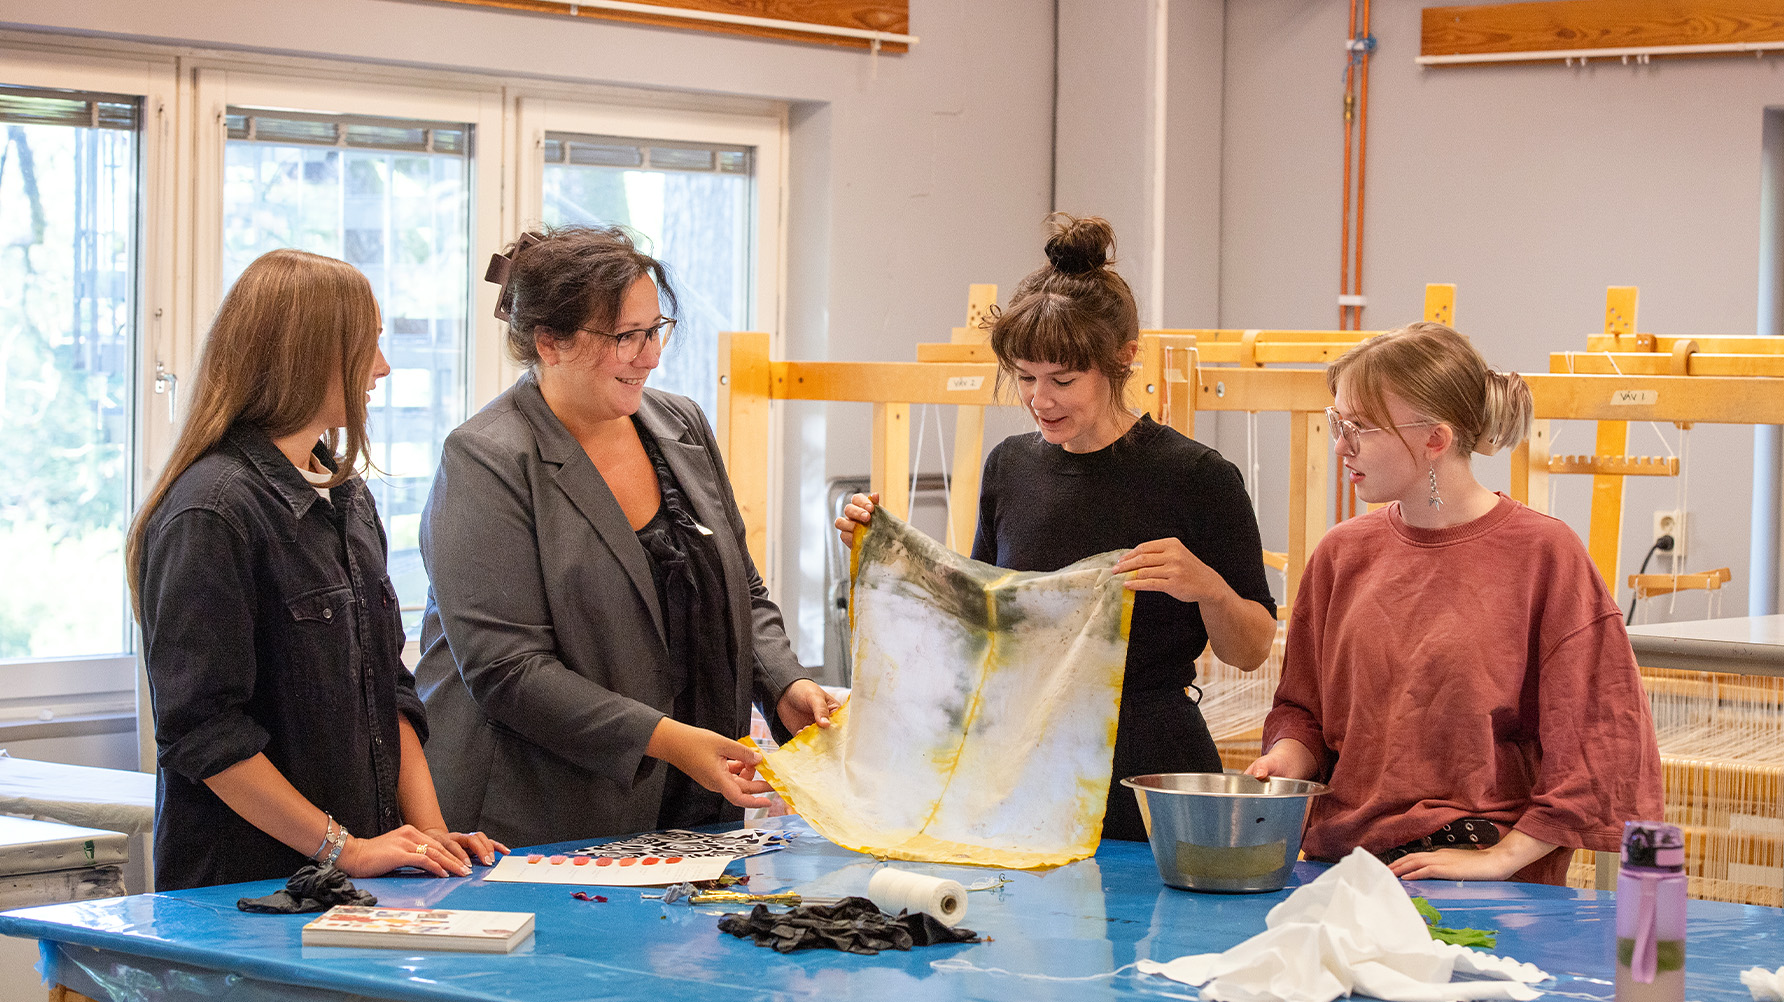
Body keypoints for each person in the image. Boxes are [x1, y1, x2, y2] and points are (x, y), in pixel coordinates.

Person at [838, 215, 1278, 842]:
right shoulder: (1011, 466)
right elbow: (983, 618)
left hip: (1147, 773)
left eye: (1063, 381)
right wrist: (884, 550)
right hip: (1025, 765)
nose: (1040, 399)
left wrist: (1206, 586)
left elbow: (1252, 647)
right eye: (1025, 378)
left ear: (1123, 360)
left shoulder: (1196, 477)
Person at [414, 226, 835, 848]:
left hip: (692, 793)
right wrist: (668, 740)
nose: (651, 356)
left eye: (654, 329)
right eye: (625, 337)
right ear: (549, 343)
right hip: (540, 816)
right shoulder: (487, 458)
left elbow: (737, 583)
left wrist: (784, 682)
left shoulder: (679, 423)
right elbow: (508, 670)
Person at [128, 249, 505, 890]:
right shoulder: (212, 511)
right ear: (309, 357)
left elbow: (390, 692)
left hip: (360, 882)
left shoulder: (347, 497)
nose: (382, 369)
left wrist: (432, 838)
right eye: (369, 347)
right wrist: (347, 851)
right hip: (246, 892)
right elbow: (205, 735)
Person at [1245, 321, 1665, 885]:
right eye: (1335, 423)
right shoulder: (1341, 554)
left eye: (1358, 428)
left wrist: (1503, 858)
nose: (1340, 446)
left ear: (1435, 440)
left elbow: (1601, 738)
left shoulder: (1544, 554)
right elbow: (1304, 707)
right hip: (1344, 867)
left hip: (1481, 882)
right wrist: (1289, 758)